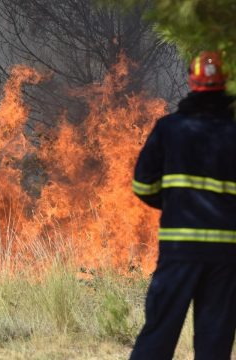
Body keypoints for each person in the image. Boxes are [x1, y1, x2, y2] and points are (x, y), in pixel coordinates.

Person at [130, 51, 236, 360]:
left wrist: (174, 205)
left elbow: (142, 185)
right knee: (214, 343)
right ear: (225, 84)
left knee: (158, 333)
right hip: (226, 255)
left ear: (191, 82)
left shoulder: (169, 129)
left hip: (179, 251)